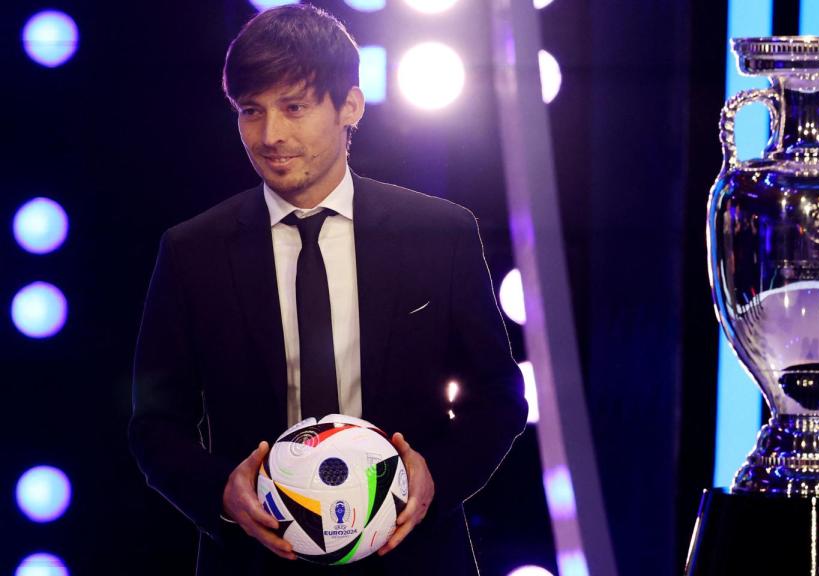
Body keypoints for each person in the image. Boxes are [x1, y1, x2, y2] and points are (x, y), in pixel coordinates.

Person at [128, 5, 527, 575]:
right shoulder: (193, 250)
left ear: (350, 107)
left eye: (294, 107)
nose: (271, 135)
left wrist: (436, 478)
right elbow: (154, 423)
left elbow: (499, 396)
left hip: (412, 555)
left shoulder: (439, 233)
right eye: (250, 111)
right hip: (256, 558)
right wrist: (221, 493)